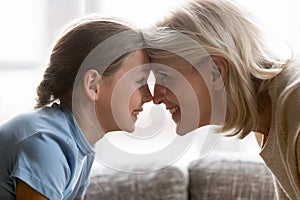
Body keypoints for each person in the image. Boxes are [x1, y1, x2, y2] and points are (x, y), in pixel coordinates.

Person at [144, 0, 300, 199]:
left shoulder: (295, 103)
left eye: (165, 77)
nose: (155, 97)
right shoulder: (269, 119)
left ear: (215, 71)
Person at [0, 16, 152, 199]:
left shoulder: (81, 147)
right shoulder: (48, 143)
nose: (149, 96)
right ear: (93, 85)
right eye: (140, 81)